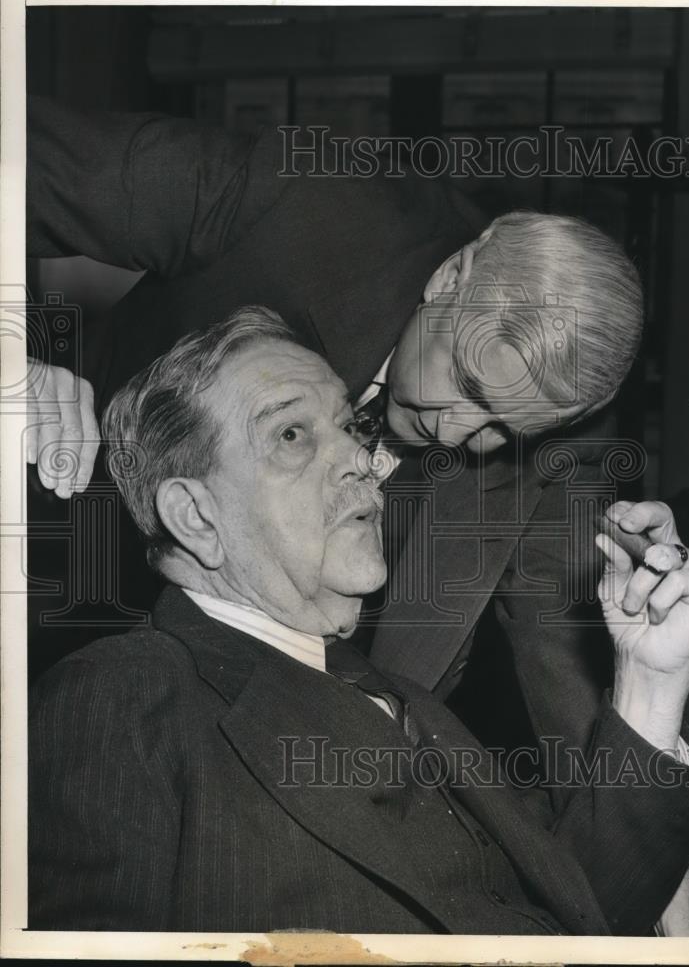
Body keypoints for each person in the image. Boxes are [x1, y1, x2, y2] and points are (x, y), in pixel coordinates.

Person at [28, 306, 689, 934]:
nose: (363, 460)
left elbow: (579, 919)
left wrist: (653, 678)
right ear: (196, 517)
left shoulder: (408, 703)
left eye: (350, 425)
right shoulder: (121, 695)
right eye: (292, 433)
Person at [26, 96, 642, 766]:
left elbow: (571, 693)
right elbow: (22, 156)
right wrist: (12, 367)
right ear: (449, 278)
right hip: (45, 556)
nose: (457, 432)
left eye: (502, 427)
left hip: (246, 750)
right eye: (467, 384)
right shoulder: (301, 203)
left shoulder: (561, 425)